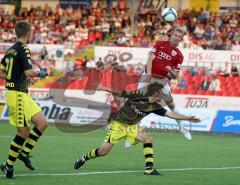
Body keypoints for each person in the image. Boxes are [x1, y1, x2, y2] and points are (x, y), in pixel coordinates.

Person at [74, 83, 200, 175]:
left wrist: (187, 118)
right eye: (161, 92)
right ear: (154, 92)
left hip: (131, 127)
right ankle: (84, 158)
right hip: (118, 125)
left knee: (147, 139)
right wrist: (104, 88)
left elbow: (171, 114)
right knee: (103, 152)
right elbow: (120, 93)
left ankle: (149, 169)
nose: (162, 94)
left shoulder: (155, 106)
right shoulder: (137, 95)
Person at [0, 21, 48, 179]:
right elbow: (29, 72)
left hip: (22, 94)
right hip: (17, 95)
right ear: (28, 33)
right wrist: (41, 73)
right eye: (32, 33)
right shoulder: (23, 49)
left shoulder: (10, 50)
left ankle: (25, 153)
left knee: (42, 123)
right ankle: (8, 165)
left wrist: (14, 77)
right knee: (23, 133)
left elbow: (1, 72)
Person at [139, 27, 192, 140]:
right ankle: (133, 133)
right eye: (175, 35)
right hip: (148, 75)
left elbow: (175, 75)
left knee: (171, 105)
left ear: (181, 39)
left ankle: (182, 127)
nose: (176, 37)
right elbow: (150, 59)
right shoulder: (160, 44)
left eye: (179, 37)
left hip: (162, 80)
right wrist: (148, 74)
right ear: (171, 35)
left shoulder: (179, 55)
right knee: (138, 102)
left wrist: (169, 69)